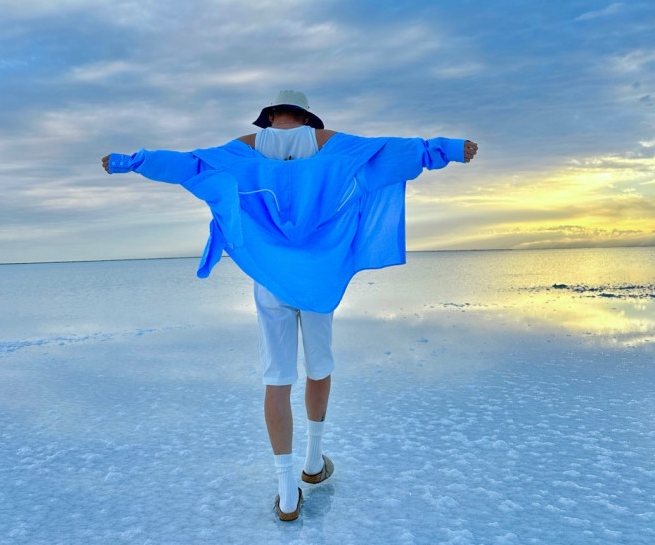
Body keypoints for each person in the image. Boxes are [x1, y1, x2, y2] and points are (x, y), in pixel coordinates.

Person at [102, 89, 478, 521]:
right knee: (319, 367)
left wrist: (129, 161)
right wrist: (448, 149)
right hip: (319, 275)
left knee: (277, 379)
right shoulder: (327, 143)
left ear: (270, 116)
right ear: (305, 117)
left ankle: (286, 494)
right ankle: (313, 463)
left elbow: (189, 163)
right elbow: (389, 153)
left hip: (271, 278)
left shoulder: (245, 148)